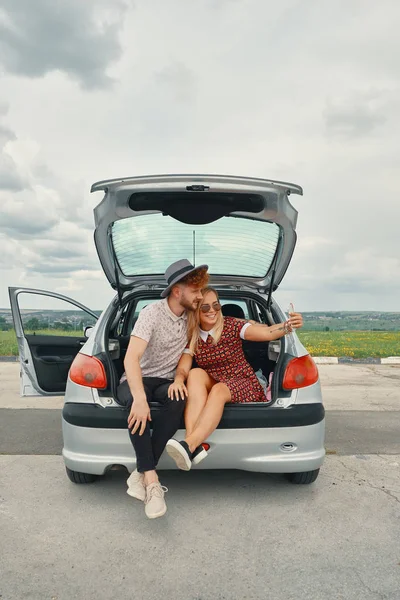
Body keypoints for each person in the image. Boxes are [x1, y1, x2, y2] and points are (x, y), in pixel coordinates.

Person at [165, 287, 303, 470]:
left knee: (219, 390)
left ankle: (189, 444)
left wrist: (288, 326)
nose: (212, 311)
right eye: (205, 307)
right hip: (216, 379)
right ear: (196, 310)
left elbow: (267, 333)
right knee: (195, 374)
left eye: (216, 305)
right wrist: (178, 380)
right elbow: (184, 365)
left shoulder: (232, 326)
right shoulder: (193, 335)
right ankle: (193, 446)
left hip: (243, 381)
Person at [117, 259, 209, 519]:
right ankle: (152, 481)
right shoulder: (151, 313)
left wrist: (179, 379)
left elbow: (186, 358)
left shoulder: (192, 318)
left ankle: (140, 473)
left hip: (166, 381)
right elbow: (130, 358)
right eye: (196, 290)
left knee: (178, 401)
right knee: (138, 408)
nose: (200, 296)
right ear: (177, 291)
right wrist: (138, 399)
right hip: (137, 378)